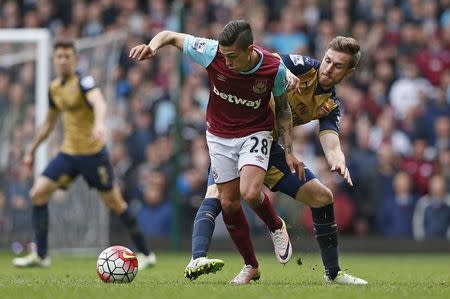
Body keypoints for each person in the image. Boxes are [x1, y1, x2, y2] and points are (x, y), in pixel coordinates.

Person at [184, 36, 368, 285]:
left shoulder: (330, 104)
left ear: (349, 71)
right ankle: (201, 259)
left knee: (322, 197)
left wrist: (338, 160)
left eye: (337, 66)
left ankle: (333, 274)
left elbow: (331, 141)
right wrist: (284, 72)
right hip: (237, 136)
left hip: (268, 148)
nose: (328, 68)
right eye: (327, 60)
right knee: (216, 195)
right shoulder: (304, 66)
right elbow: (267, 59)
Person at [130, 20, 302, 284]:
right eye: (225, 56)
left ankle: (276, 226)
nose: (227, 62)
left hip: (255, 133)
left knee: (250, 192)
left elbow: (283, 109)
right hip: (219, 137)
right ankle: (251, 265)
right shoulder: (211, 51)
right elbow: (169, 35)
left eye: (233, 57)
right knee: (229, 204)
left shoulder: (273, 68)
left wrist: (289, 149)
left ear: (249, 50)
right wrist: (152, 47)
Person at [12, 40, 156, 269]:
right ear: (54, 60)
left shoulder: (84, 81)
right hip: (68, 154)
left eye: (67, 56)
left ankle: (147, 253)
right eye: (59, 56)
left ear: (75, 59)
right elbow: (49, 124)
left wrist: (99, 124)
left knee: (116, 204)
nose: (63, 60)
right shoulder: (54, 89)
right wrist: (31, 151)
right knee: (37, 194)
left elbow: (99, 102)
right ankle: (41, 255)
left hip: (93, 155)